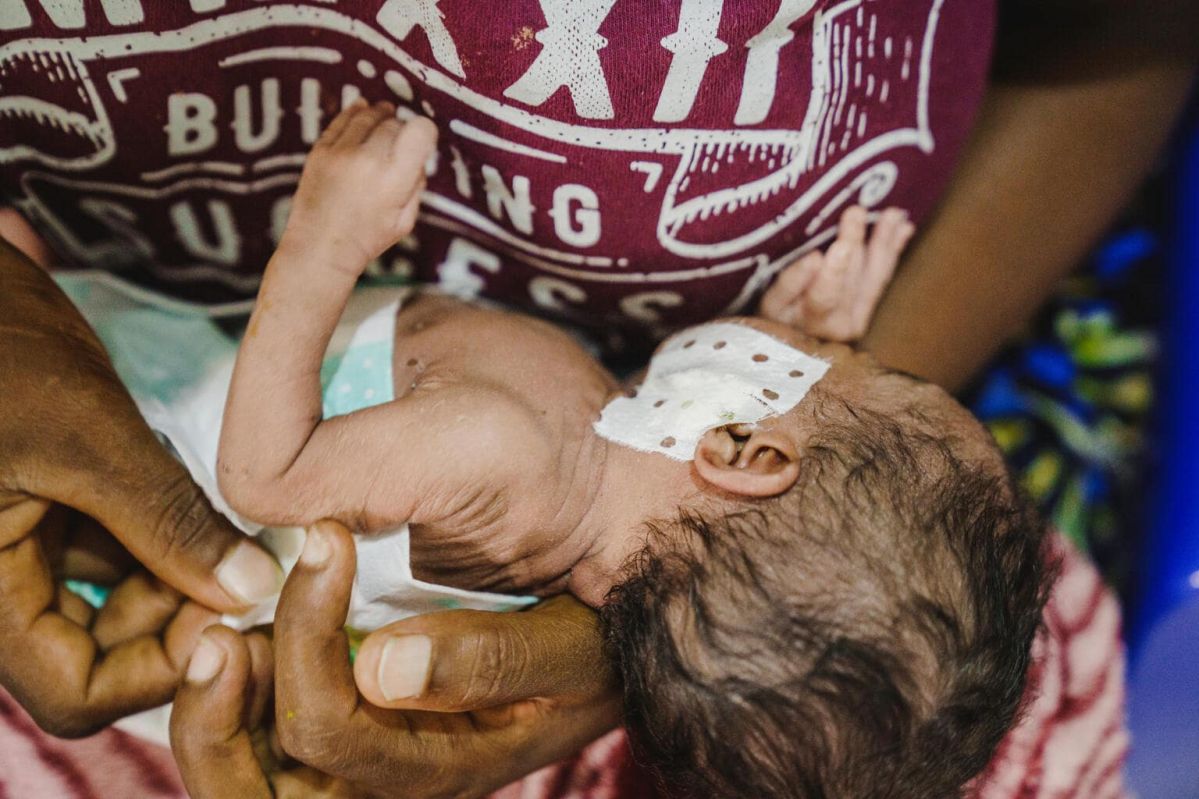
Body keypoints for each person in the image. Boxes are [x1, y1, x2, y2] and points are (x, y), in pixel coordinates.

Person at [0, 0, 1190, 795]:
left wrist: (327, 238)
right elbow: (727, 400)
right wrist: (805, 329)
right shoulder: (602, 466)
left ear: (742, 450)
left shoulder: (506, 459)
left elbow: (264, 475)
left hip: (137, 414)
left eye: (853, 367)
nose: (832, 348)